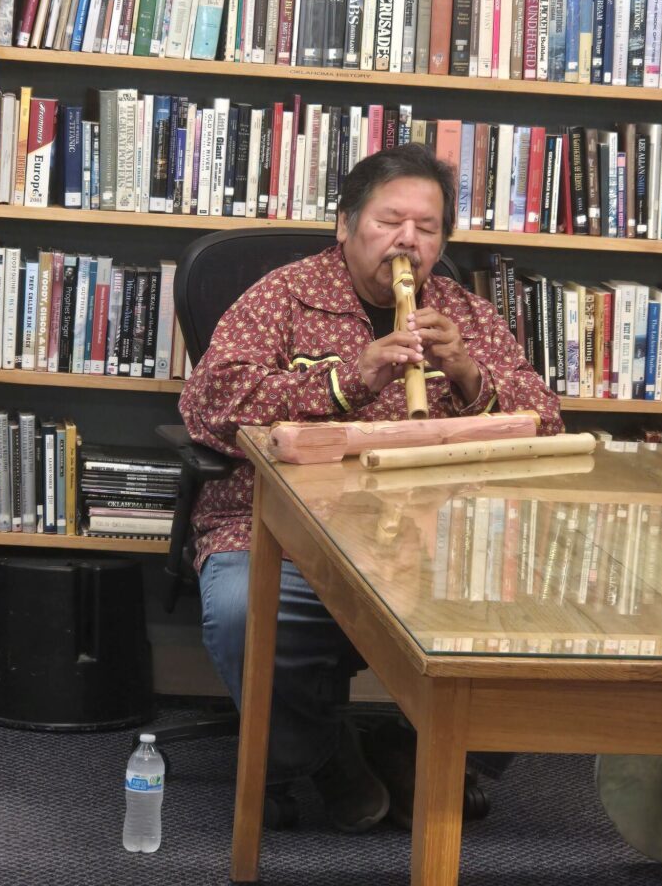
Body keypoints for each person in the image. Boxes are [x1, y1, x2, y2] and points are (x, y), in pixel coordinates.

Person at [178, 144, 563, 833]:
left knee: (541, 617)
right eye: (390, 222)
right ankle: (322, 754)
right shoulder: (283, 297)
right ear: (346, 226)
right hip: (282, 533)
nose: (408, 242)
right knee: (241, 610)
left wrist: (469, 373)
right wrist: (347, 379)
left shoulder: (464, 313)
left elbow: (547, 421)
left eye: (428, 227)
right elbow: (209, 404)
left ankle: (421, 752)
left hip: (431, 541)